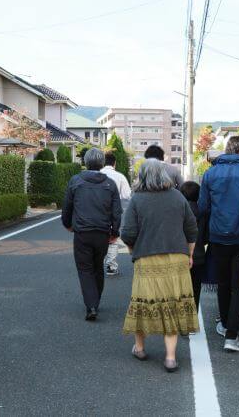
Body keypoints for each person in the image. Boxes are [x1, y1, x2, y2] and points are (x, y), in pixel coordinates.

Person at [121, 159, 199, 372]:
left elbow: (127, 233)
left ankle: (139, 348)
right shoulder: (177, 196)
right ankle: (171, 358)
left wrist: (132, 249)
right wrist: (190, 253)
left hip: (147, 259)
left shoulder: (137, 199)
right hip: (177, 259)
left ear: (143, 175)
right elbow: (192, 229)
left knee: (143, 303)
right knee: (172, 305)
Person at [198, 135, 239, 352]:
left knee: (223, 284)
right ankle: (231, 337)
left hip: (217, 236)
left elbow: (203, 207)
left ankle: (225, 325)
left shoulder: (210, 172)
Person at [62, 148, 122, 321]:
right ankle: (95, 301)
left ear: (85, 162)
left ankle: (91, 305)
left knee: (85, 269)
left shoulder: (76, 180)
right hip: (102, 233)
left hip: (82, 232)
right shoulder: (110, 184)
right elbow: (116, 211)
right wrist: (114, 232)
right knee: (97, 267)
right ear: (102, 163)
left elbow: (67, 205)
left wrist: (67, 224)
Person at [100, 151, 132, 277]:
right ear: (115, 163)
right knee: (112, 239)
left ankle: (95, 265)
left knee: (97, 237)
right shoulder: (119, 176)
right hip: (113, 211)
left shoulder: (97, 174)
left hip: (96, 211)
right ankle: (111, 267)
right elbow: (127, 195)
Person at [179, 181, 207, 310]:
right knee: (196, 287)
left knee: (179, 287)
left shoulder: (177, 212)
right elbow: (207, 236)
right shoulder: (204, 212)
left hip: (179, 255)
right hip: (199, 256)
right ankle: (192, 317)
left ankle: (180, 315)